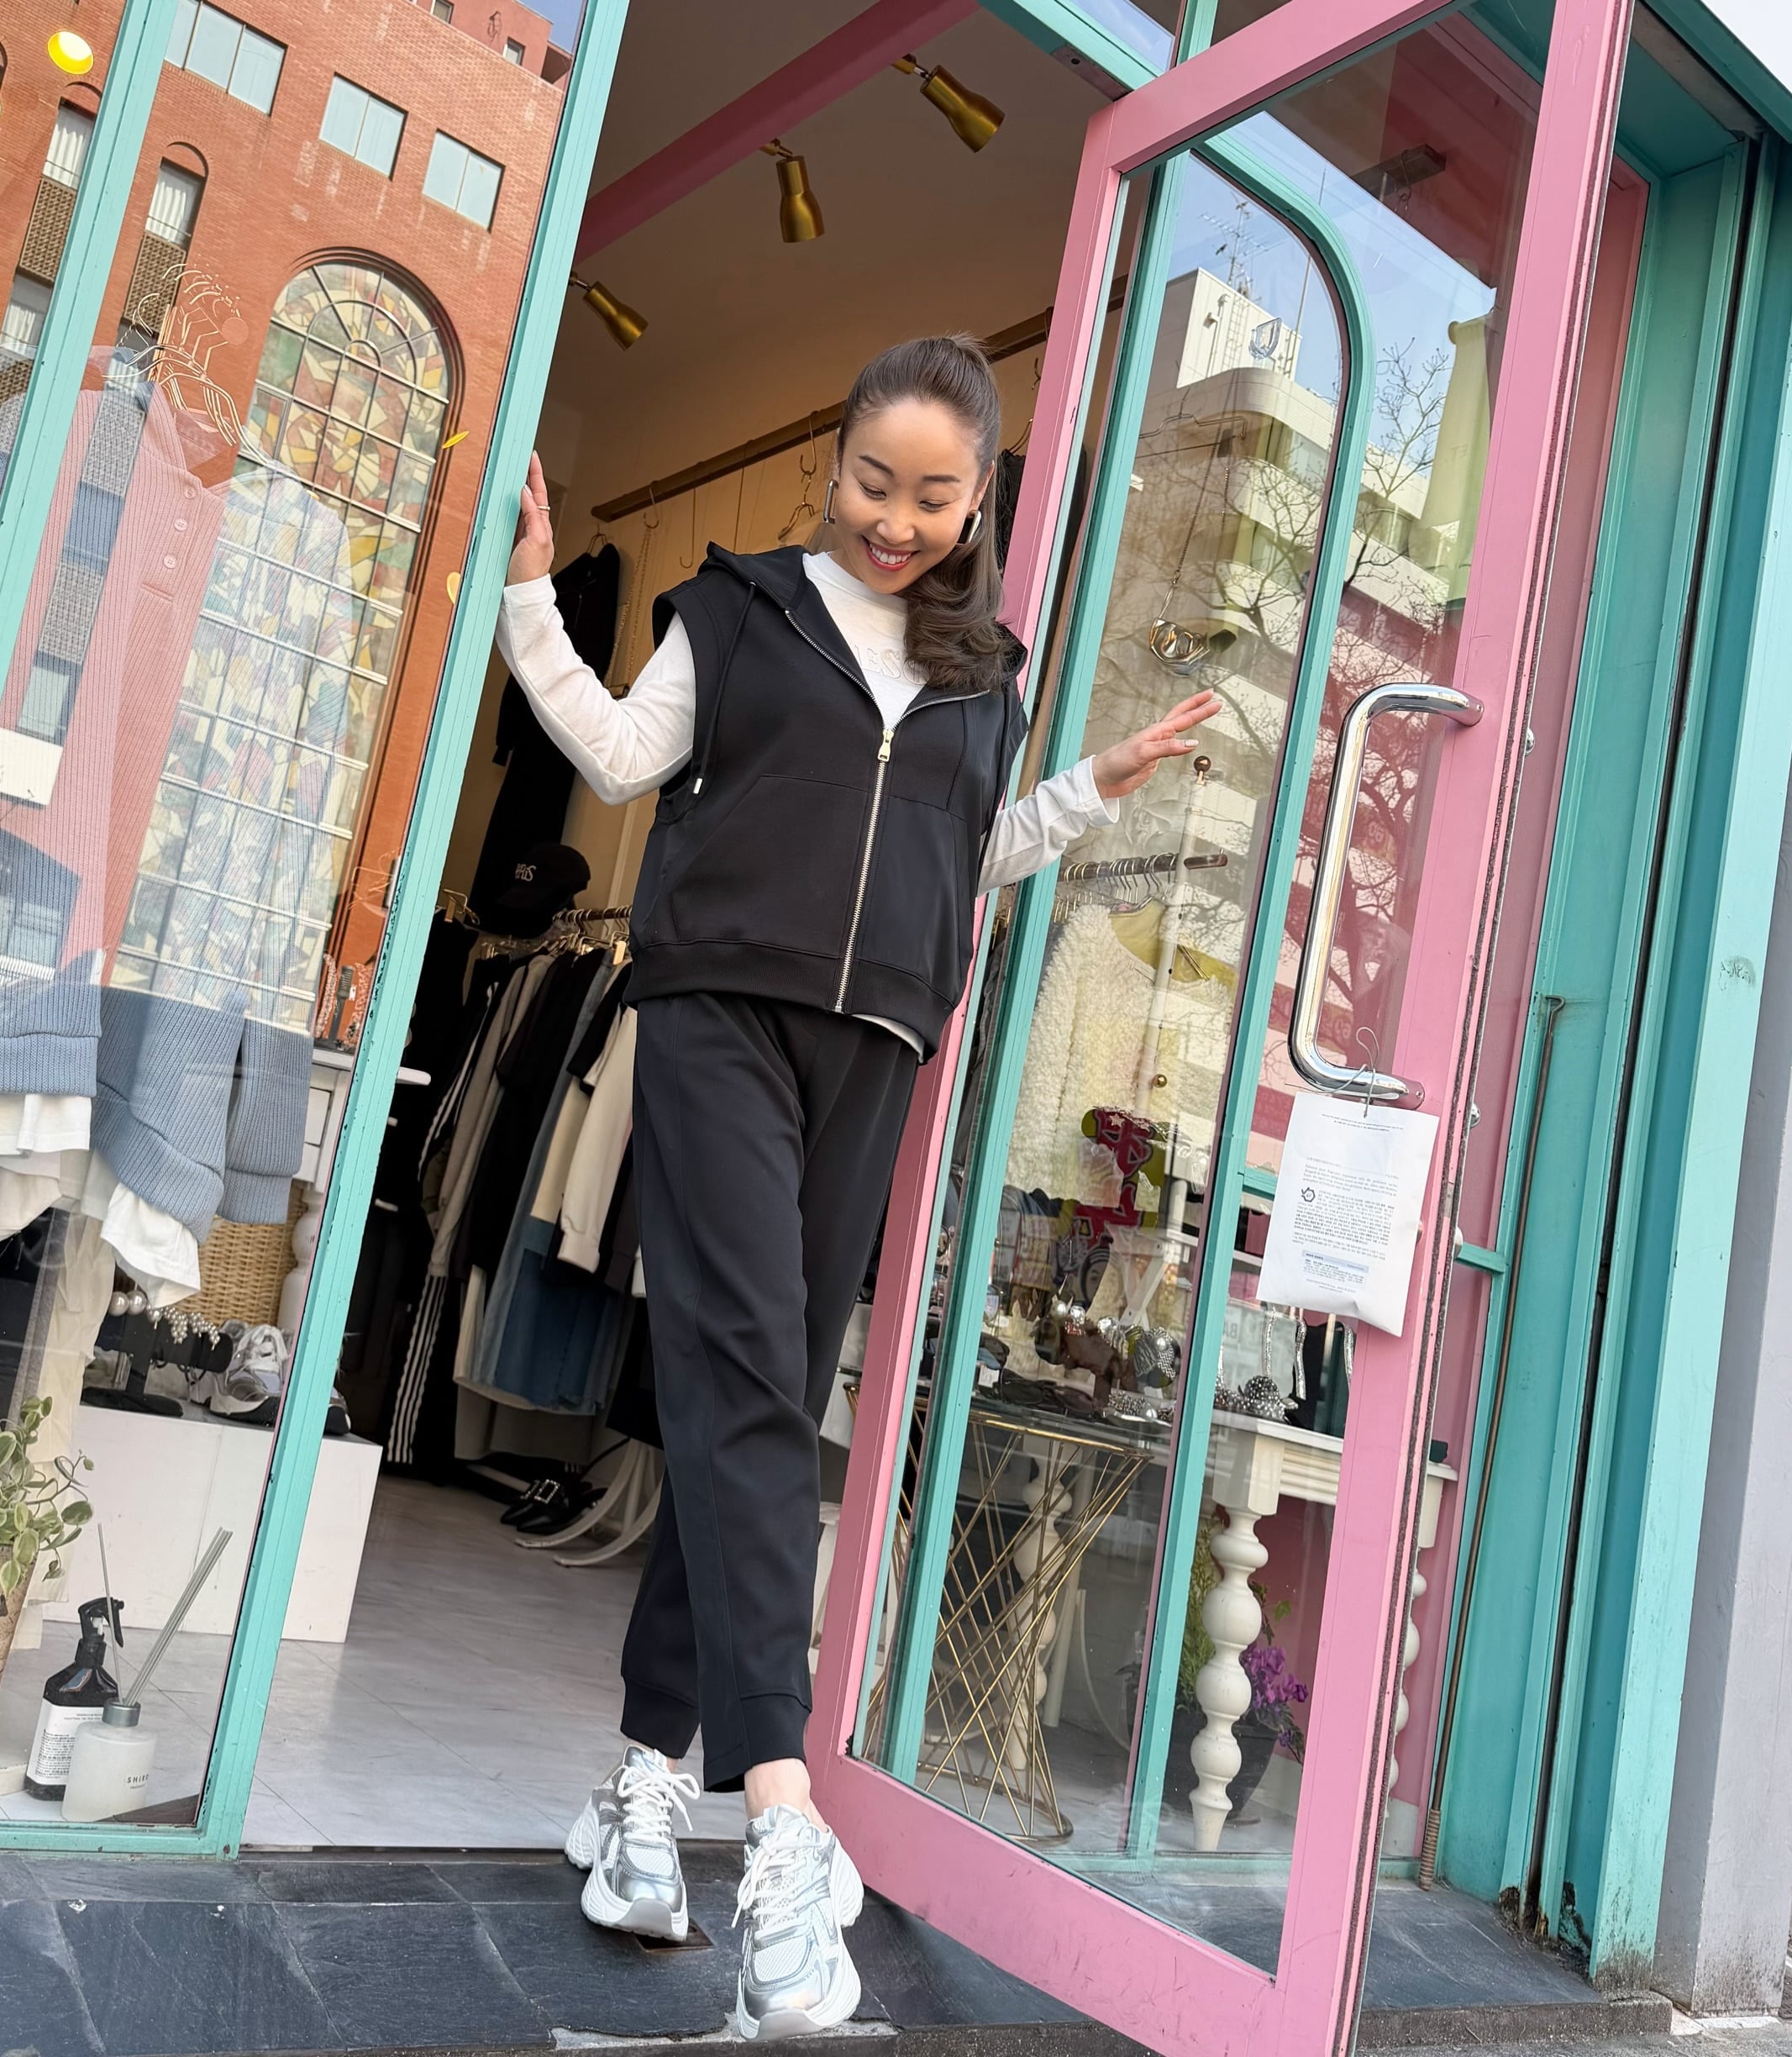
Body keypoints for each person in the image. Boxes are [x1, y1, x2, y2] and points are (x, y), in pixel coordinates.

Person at [495, 334, 1217, 2040]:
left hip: (876, 1045)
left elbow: (969, 853)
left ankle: (641, 1786)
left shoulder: (984, 671)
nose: (895, 521)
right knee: (750, 1382)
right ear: (834, 464)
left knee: (749, 1395)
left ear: (979, 504)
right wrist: (531, 592)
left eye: (933, 497)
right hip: (718, 1014)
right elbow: (618, 754)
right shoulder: (739, 609)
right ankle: (782, 1816)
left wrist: (1090, 790)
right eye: (872, 483)